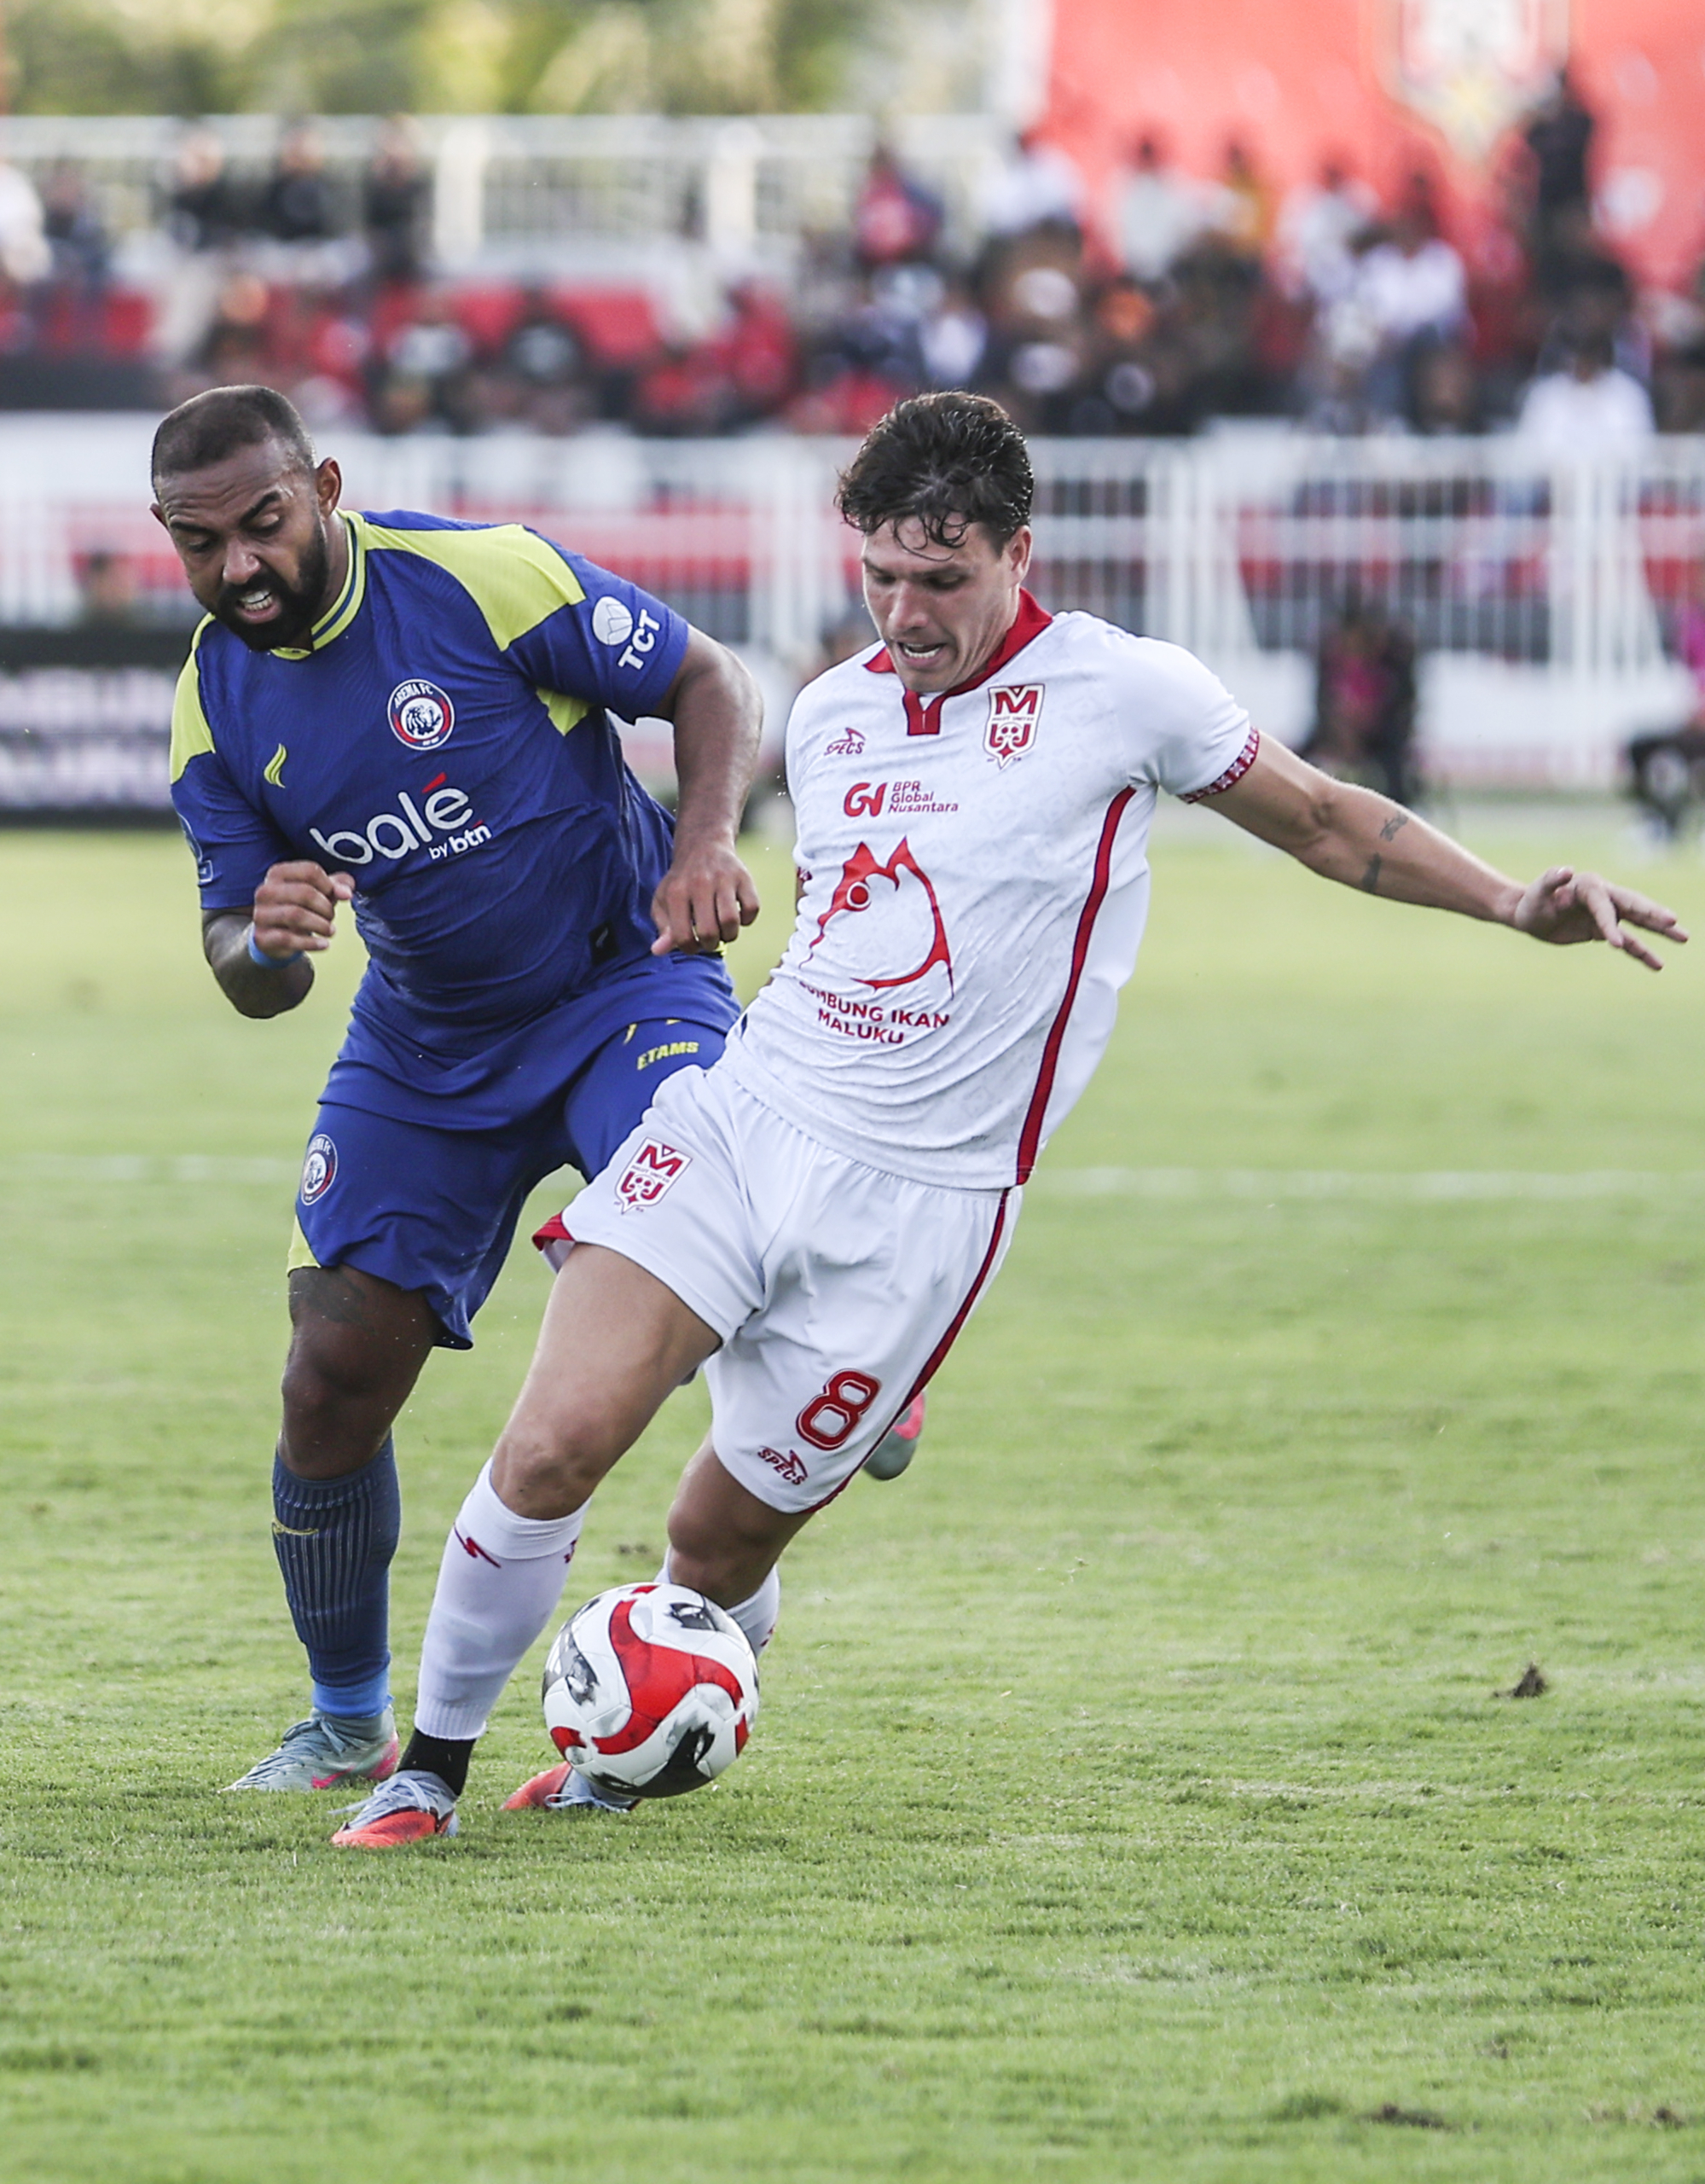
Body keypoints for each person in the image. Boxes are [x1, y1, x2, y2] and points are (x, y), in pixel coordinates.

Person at [326, 391, 1685, 1849]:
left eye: (941, 578)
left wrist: (1512, 902)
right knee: (551, 1448)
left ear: (1017, 553)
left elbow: (1325, 820)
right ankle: (428, 1774)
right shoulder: (834, 716)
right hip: (747, 1120)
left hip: (923, 1204)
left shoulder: (1130, 694)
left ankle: (621, 1744)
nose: (905, 614)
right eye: (881, 577)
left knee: (717, 1543)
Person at [155, 382, 765, 1796]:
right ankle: (343, 1722)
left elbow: (709, 679)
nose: (241, 565)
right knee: (329, 1376)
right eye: (201, 543)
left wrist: (705, 842)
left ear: (323, 486)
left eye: (262, 523)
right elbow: (243, 964)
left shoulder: (479, 578)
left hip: (626, 986)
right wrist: (267, 941)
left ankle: (845, 1393)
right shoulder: (212, 701)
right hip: (426, 1044)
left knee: (710, 1253)